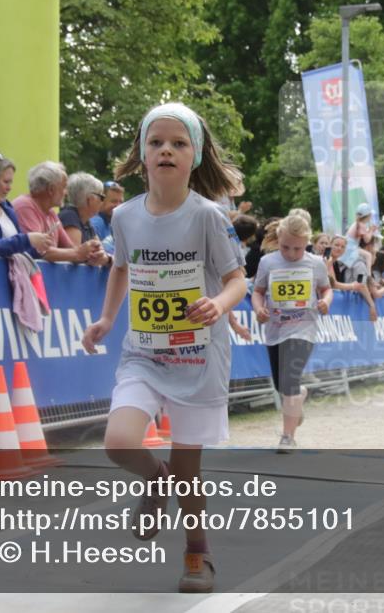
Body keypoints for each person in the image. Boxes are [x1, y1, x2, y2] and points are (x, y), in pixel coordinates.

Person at [82, 102, 246, 594]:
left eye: (178, 143)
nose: (166, 150)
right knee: (118, 442)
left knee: (189, 470)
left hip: (198, 356)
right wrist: (108, 318)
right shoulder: (126, 216)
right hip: (146, 353)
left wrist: (218, 303)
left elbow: (238, 278)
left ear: (195, 156)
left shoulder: (209, 217)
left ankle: (198, 554)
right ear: (143, 153)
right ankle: (155, 479)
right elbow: (119, 268)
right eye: (156, 143)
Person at [251, 213, 332, 453]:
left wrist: (326, 301)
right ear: (278, 238)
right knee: (282, 385)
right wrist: (259, 309)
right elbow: (257, 291)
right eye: (286, 247)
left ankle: (287, 437)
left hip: (303, 329)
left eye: (297, 249)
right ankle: (299, 396)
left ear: (306, 243)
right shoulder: (268, 263)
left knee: (289, 379)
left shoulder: (315, 263)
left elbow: (326, 289)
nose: (292, 254)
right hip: (276, 330)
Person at [13, 161, 109, 266]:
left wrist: (90, 253)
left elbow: (70, 248)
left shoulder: (50, 213)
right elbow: (38, 251)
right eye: (63, 187)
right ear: (51, 189)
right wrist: (79, 253)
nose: (66, 193)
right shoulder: (25, 206)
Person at [0, 152, 53, 258]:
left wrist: (38, 248)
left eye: (11, 182)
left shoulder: (7, 207)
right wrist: (27, 239)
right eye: (6, 182)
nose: (9, 188)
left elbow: (20, 249)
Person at [90, 180, 125, 253]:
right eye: (114, 201)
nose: (118, 206)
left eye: (121, 202)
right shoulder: (96, 222)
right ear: (101, 201)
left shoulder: (112, 224)